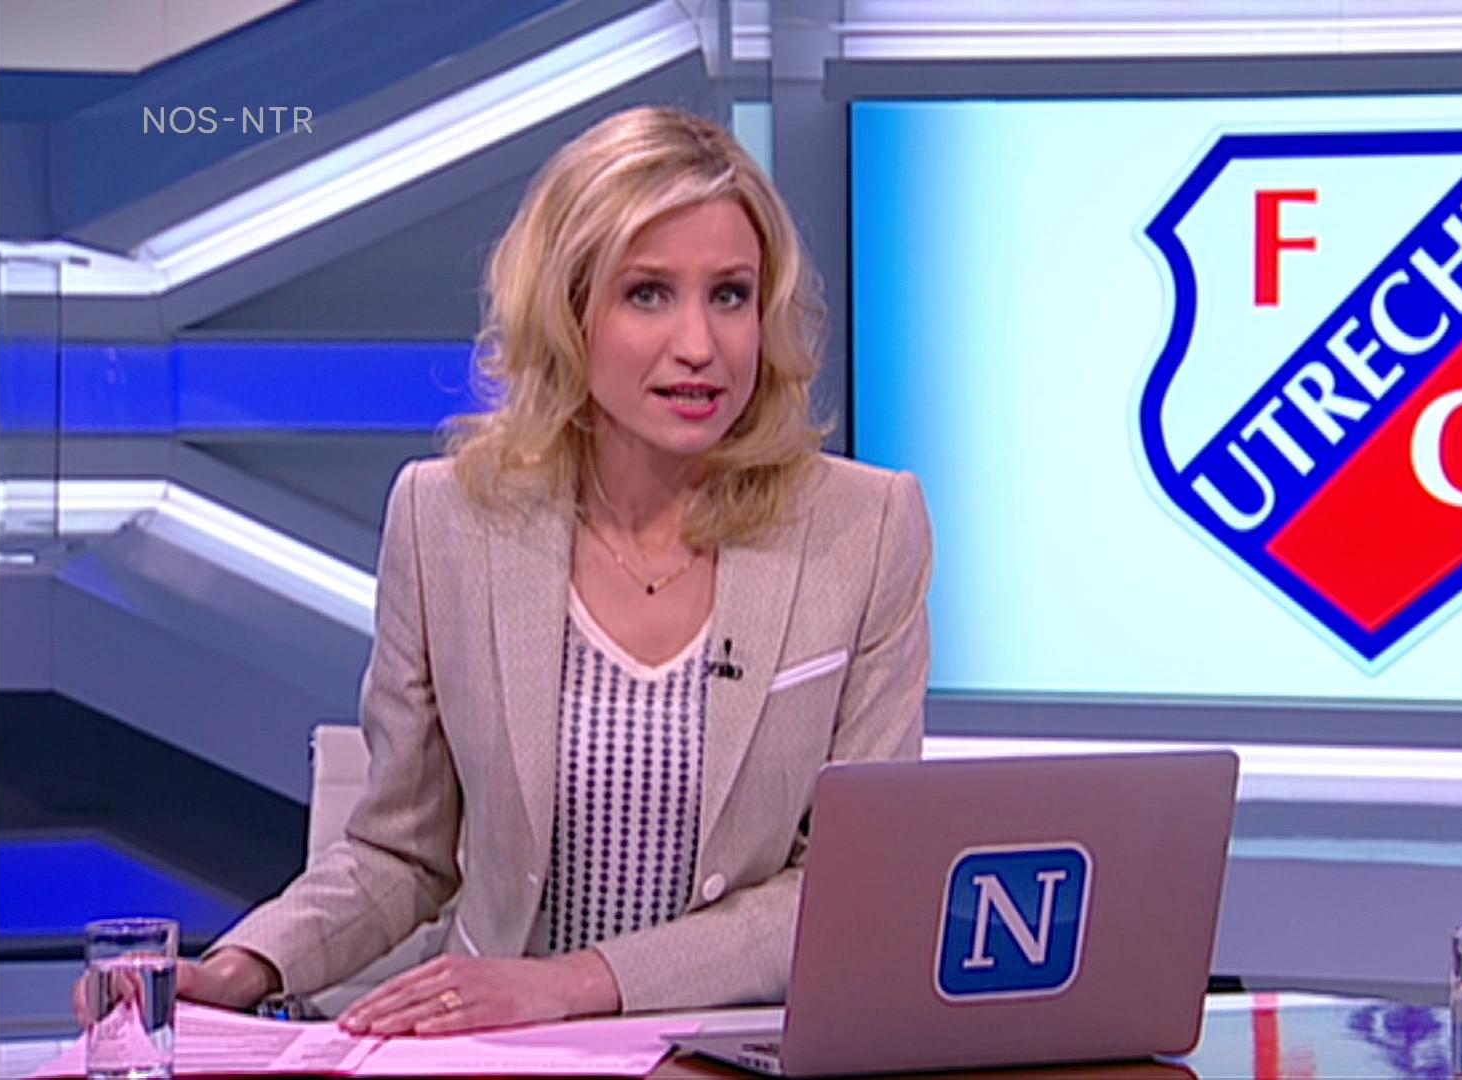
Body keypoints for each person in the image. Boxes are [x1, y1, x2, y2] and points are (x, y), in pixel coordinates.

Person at [83, 106, 931, 1035]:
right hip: (497, 1045)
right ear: (568, 312)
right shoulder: (447, 520)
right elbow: (398, 854)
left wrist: (576, 982)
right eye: (648, 293)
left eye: (730, 295)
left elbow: (851, 887)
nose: (699, 344)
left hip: (731, 1047)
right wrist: (241, 967)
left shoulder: (862, 530)